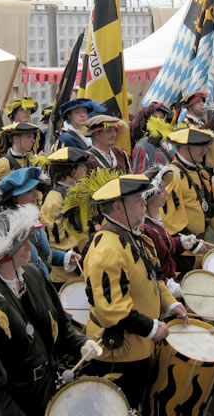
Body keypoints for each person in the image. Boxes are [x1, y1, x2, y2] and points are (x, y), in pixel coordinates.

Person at [0, 205, 101, 415]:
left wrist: (81, 343)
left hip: (46, 393)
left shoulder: (32, 274)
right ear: (4, 252)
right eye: (22, 243)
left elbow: (61, 326)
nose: (29, 247)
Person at [83, 173, 188, 411]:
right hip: (119, 353)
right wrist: (151, 328)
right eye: (137, 199)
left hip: (138, 345)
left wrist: (171, 304)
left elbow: (155, 276)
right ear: (118, 207)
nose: (144, 201)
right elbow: (112, 312)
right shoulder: (107, 249)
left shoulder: (134, 236)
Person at [161, 127, 214, 275]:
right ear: (184, 147)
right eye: (200, 146)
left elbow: (210, 208)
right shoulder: (172, 176)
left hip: (199, 246)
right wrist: (193, 244)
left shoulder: (200, 171)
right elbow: (171, 222)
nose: (205, 150)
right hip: (183, 252)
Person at [0, 167, 79, 281]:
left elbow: (44, 255)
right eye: (29, 191)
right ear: (15, 198)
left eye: (35, 189)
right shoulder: (10, 230)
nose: (36, 195)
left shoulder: (32, 220)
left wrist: (66, 257)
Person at [142, 165, 204, 284]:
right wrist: (166, 283)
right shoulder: (146, 228)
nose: (167, 193)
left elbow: (165, 247)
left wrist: (181, 242)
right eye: (162, 190)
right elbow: (151, 266)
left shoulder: (156, 220)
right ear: (151, 196)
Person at [41, 146, 89, 284]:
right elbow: (57, 240)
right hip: (67, 273)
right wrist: (79, 265)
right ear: (71, 170)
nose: (85, 170)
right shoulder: (54, 200)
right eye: (81, 166)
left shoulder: (77, 191)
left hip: (83, 264)